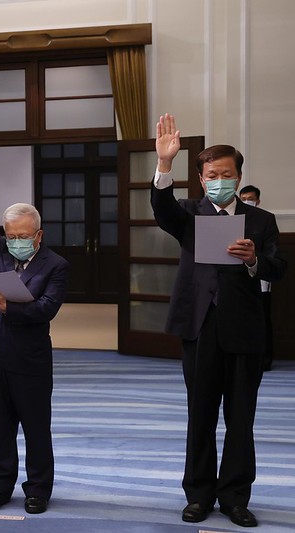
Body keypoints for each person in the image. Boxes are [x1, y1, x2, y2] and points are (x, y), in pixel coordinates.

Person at [152, 114, 287, 528]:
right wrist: (164, 164)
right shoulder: (187, 212)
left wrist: (254, 260)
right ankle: (198, 495)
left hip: (245, 329)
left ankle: (234, 497)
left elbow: (279, 268)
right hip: (200, 326)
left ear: (239, 176)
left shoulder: (261, 220)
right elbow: (161, 209)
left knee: (241, 419)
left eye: (227, 174)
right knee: (201, 415)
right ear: (201, 179)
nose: (220, 180)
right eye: (212, 175)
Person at [0, 142, 69, 515]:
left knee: (36, 426)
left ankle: (38, 488)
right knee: (2, 423)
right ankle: (0, 484)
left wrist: (9, 307)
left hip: (30, 357)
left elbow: (46, 309)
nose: (16, 242)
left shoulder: (56, 265)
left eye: (23, 237)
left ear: (38, 235)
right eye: (11, 236)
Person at [239, 185, 274, 371]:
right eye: (243, 198)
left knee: (263, 320)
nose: (247, 201)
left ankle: (266, 358)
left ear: (257, 201)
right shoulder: (235, 219)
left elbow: (271, 254)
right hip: (239, 280)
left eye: (250, 199)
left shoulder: (264, 220)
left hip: (261, 280)